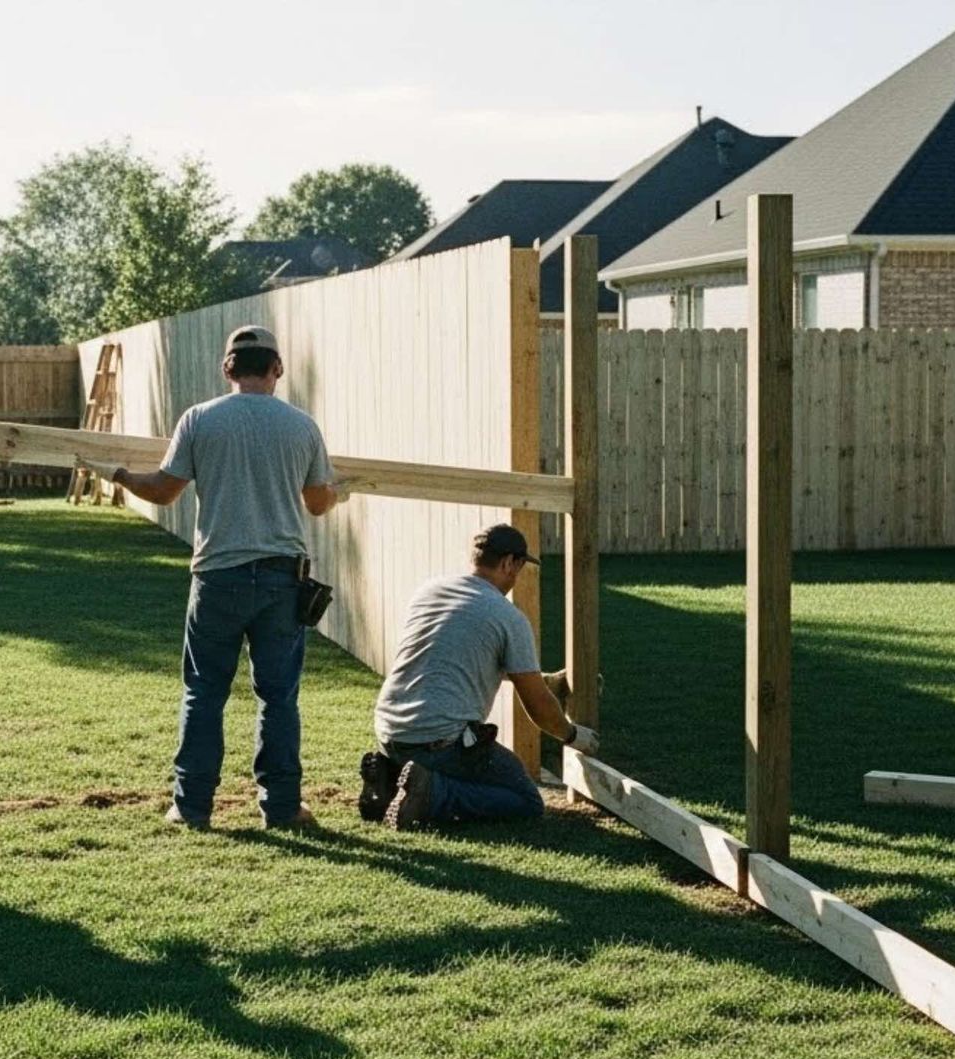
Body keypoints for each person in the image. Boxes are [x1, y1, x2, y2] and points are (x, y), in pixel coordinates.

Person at [80, 325, 345, 830]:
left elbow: (163, 491)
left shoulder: (200, 419)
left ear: (228, 369)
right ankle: (283, 808)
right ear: (277, 368)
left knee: (204, 693)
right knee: (278, 696)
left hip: (218, 576)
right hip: (280, 580)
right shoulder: (302, 427)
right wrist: (337, 492)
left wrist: (118, 475)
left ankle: (191, 807)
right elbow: (316, 503)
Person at [362, 524, 600, 830]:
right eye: (519, 567)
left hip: (389, 732)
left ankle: (393, 779)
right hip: (437, 741)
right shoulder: (507, 617)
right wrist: (573, 735)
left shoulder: (430, 592)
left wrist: (547, 681)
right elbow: (538, 706)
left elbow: (459, 659)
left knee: (448, 760)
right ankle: (432, 795)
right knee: (525, 799)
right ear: (508, 563)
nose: (517, 577)